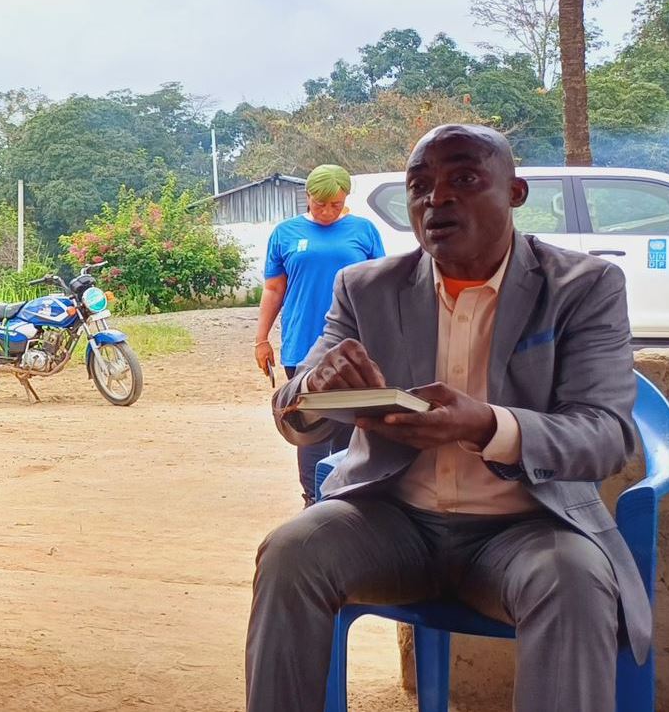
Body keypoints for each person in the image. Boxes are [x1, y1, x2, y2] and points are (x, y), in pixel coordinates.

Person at [246, 125, 645, 712]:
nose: (437, 199)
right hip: (391, 523)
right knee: (291, 551)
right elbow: (294, 421)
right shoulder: (366, 288)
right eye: (420, 186)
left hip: (527, 528)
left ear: (514, 191)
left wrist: (483, 425)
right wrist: (313, 388)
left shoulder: (581, 287)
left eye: (463, 179)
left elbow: (607, 436)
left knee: (575, 581)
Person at [252, 164, 385, 505]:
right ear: (307, 196)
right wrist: (262, 338)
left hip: (354, 348)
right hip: (302, 345)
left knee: (350, 428)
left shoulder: (364, 231)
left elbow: (381, 288)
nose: (327, 211)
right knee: (308, 428)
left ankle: (344, 499)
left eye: (335, 205)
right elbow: (273, 289)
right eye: (320, 204)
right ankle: (312, 501)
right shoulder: (285, 233)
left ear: (345, 200)